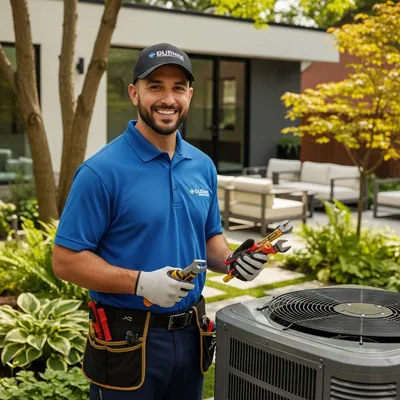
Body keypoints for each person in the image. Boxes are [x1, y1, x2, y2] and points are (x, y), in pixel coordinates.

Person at [52, 42, 268, 400]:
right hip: (126, 342)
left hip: (191, 337)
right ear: (134, 93)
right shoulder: (101, 171)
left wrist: (233, 261)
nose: (168, 98)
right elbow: (65, 260)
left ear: (190, 96)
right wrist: (139, 283)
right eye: (156, 87)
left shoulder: (202, 165)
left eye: (178, 88)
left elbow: (210, 236)